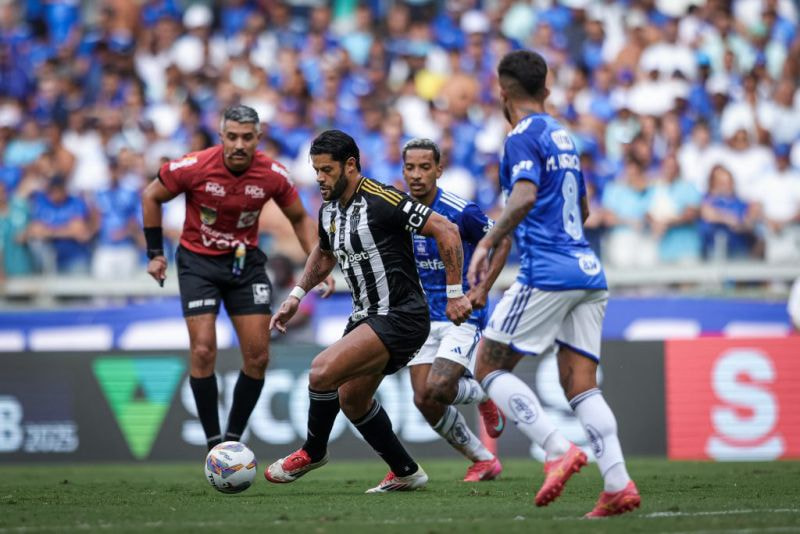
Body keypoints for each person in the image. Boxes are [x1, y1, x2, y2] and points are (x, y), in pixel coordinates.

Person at [467, 50, 640, 518]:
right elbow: (581, 209)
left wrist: (488, 242)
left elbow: (523, 196)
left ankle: (556, 447)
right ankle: (618, 483)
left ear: (502, 90)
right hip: (588, 268)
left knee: (487, 367)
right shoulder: (563, 134)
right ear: (545, 88)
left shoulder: (520, 136)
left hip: (548, 271)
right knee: (580, 383)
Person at [265, 129, 472, 493]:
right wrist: (297, 294)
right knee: (352, 399)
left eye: (327, 170)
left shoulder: (382, 198)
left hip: (401, 315)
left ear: (350, 165)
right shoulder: (329, 209)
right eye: (316, 171)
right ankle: (406, 471)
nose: (320, 178)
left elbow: (447, 229)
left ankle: (313, 451)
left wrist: (456, 294)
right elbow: (325, 253)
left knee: (321, 371)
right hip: (367, 315)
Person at [141, 105, 333, 452]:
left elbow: (301, 220)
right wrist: (155, 253)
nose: (239, 144)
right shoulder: (194, 166)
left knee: (258, 356)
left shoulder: (273, 174)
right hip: (198, 264)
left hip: (245, 266)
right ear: (222, 137)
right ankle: (215, 442)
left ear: (258, 138)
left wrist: (316, 265)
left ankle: (232, 440)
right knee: (202, 349)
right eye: (232, 137)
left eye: (247, 137)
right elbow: (151, 195)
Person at [401, 137, 511, 482]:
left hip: (460, 312)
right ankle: (482, 460)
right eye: (410, 167)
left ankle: (482, 391)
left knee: (441, 389)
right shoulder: (398, 209)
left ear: (439, 169)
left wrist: (481, 289)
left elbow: (503, 240)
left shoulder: (461, 210)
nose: (416, 174)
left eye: (424, 167)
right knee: (423, 399)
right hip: (419, 317)